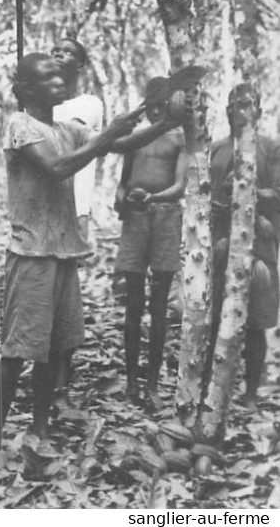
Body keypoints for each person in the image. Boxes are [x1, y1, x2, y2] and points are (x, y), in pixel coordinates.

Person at [0, 53, 145, 458]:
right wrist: (108, 134)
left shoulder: (65, 127)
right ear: (26, 89)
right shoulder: (21, 125)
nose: (60, 82)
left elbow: (122, 143)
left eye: (60, 77)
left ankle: (39, 430)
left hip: (62, 251)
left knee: (54, 350)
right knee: (18, 350)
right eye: (49, 78)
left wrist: (161, 120)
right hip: (32, 252)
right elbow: (56, 169)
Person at [113, 80, 187, 408]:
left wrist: (152, 197)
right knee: (133, 305)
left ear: (172, 104)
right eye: (152, 105)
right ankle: (131, 382)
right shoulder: (135, 140)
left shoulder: (180, 138)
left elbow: (180, 186)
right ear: (146, 105)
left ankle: (153, 385)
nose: (157, 110)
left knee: (159, 307)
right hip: (136, 219)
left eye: (163, 104)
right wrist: (123, 201)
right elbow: (122, 184)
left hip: (166, 217)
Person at [210, 84, 280, 408]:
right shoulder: (218, 149)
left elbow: (276, 192)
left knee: (256, 320)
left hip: (260, 240)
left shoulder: (271, 148)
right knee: (217, 318)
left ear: (259, 111)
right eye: (235, 106)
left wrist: (246, 188)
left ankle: (250, 393)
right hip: (224, 239)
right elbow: (209, 198)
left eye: (248, 106)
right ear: (227, 111)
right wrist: (225, 195)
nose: (241, 112)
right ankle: (215, 390)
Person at [51, 37, 104, 237]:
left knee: (69, 265)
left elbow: (69, 135)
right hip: (41, 204)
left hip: (75, 203)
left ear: (80, 66)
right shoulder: (39, 105)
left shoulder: (89, 104)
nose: (58, 54)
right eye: (55, 50)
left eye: (67, 52)